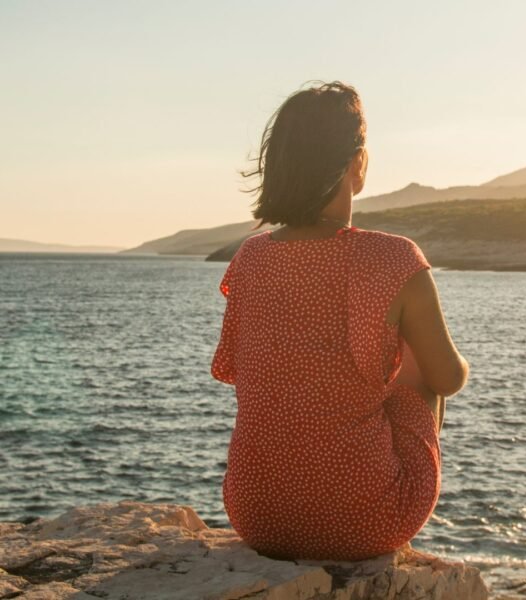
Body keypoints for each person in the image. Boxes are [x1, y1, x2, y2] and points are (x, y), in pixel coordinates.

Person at [210, 80, 469, 561]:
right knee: (417, 374)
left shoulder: (250, 257)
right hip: (366, 522)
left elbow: (244, 373)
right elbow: (447, 379)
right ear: (358, 164)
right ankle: (392, 531)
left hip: (256, 517)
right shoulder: (394, 258)